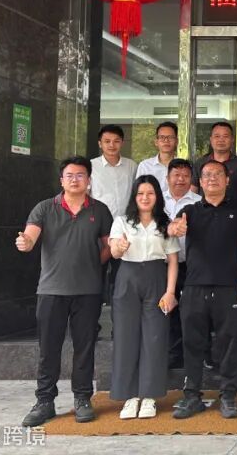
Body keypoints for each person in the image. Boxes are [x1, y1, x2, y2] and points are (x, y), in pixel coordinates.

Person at [17, 156, 113, 427]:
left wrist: (94, 263)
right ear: (61, 180)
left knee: (84, 347)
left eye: (80, 175)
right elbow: (30, 236)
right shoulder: (45, 208)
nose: (75, 180)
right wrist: (25, 243)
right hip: (51, 290)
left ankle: (82, 398)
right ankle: (44, 401)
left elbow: (109, 245)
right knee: (49, 349)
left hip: (88, 291)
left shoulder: (100, 210)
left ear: (89, 180)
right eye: (69, 175)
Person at [168, 160, 237, 420]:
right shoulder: (190, 210)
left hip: (229, 286)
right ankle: (192, 396)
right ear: (201, 182)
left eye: (217, 174)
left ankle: (228, 396)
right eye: (207, 175)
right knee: (193, 343)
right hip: (194, 286)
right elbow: (173, 227)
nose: (212, 178)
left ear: (227, 180)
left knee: (229, 344)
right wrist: (175, 228)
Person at [109, 175, 179, 420]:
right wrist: (119, 247)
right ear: (134, 197)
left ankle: (149, 396)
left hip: (156, 278)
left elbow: (173, 261)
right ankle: (129, 397)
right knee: (126, 337)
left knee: (155, 337)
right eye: (140, 193)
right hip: (127, 278)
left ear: (157, 196)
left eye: (150, 193)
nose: (145, 198)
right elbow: (114, 251)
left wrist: (170, 292)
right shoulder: (122, 221)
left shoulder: (165, 224)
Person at [91, 125, 137, 315]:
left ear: (122, 143)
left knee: (121, 279)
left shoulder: (132, 166)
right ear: (99, 143)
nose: (112, 145)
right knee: (95, 276)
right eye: (107, 141)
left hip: (125, 231)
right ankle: (92, 324)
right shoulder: (91, 166)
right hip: (97, 229)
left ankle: (119, 324)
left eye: (116, 141)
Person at [162, 158, 200, 369]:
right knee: (167, 310)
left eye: (185, 176)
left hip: (190, 265)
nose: (181, 179)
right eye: (176, 175)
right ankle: (170, 355)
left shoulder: (199, 202)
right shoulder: (157, 200)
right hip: (163, 265)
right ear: (167, 178)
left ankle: (192, 355)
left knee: (191, 312)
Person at [192, 121, 237, 201]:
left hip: (233, 207)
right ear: (211, 139)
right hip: (204, 207)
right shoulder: (200, 163)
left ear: (232, 139)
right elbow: (193, 190)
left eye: (225, 136)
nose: (221, 140)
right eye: (217, 136)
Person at [136, 121, 179, 195]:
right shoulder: (145, 166)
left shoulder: (183, 167)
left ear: (176, 141)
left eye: (170, 137)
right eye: (162, 137)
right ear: (156, 142)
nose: (166, 140)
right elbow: (139, 192)